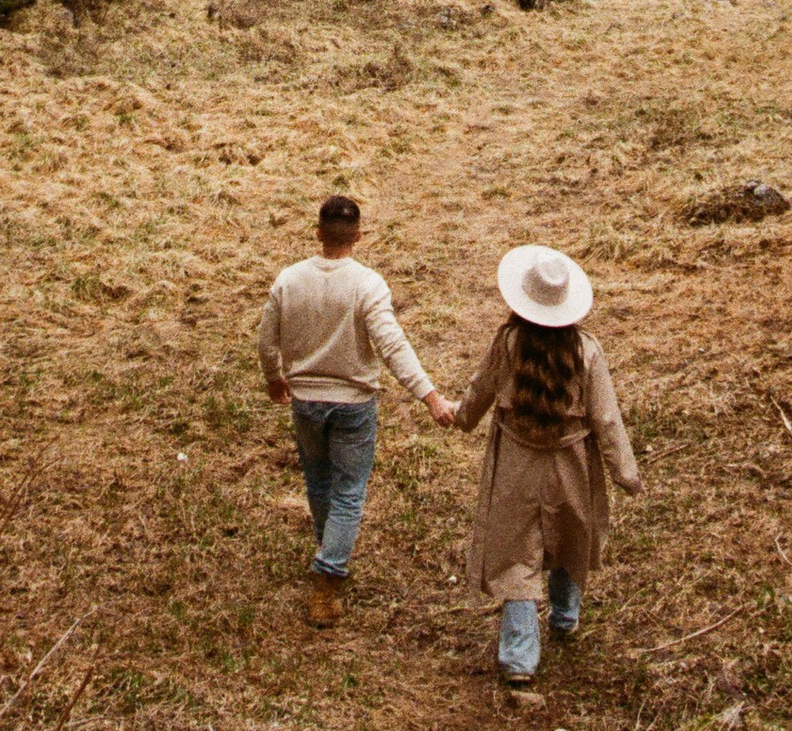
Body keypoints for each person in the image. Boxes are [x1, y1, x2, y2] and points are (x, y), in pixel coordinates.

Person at [258, 193, 456, 626]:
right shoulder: (368, 284)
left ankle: (329, 548)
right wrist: (431, 397)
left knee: (319, 481)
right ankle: (328, 577)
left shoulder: (289, 280)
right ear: (359, 236)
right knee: (349, 491)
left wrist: (275, 378)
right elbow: (392, 346)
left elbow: (265, 337)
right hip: (353, 404)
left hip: (305, 401)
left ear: (317, 234)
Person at [455, 243, 641, 684]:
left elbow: (482, 388)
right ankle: (564, 615)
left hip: (517, 462)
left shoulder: (509, 342)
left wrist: (462, 417)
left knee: (518, 552)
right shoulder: (587, 351)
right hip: (570, 463)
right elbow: (606, 416)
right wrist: (625, 473)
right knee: (569, 535)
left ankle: (520, 658)